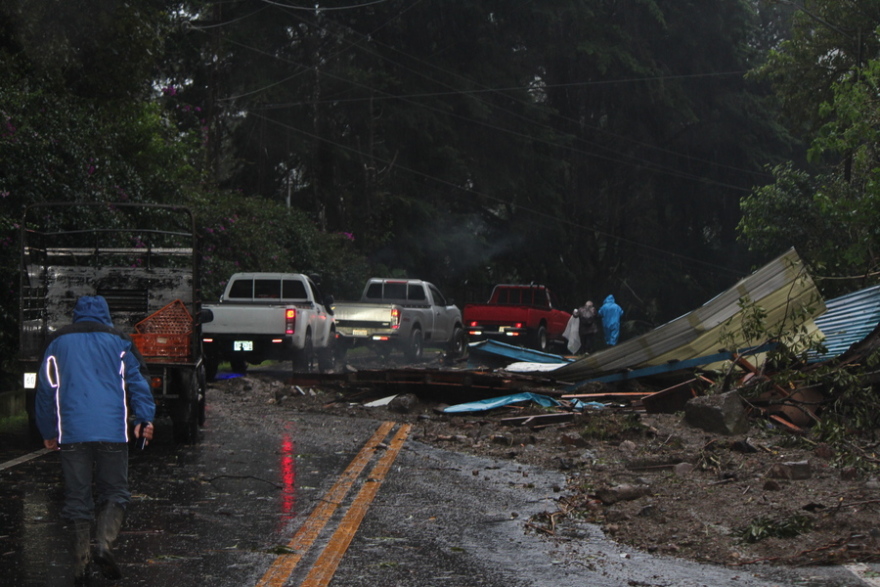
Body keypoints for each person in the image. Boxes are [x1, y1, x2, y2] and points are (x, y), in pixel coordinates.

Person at [35, 295, 155, 584]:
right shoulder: (119, 341)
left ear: (77, 314)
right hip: (112, 431)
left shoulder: (58, 343)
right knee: (114, 492)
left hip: (73, 432)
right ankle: (103, 546)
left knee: (77, 499)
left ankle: (80, 565)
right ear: (105, 314)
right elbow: (138, 382)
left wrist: (48, 431)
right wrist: (144, 419)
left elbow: (45, 391)